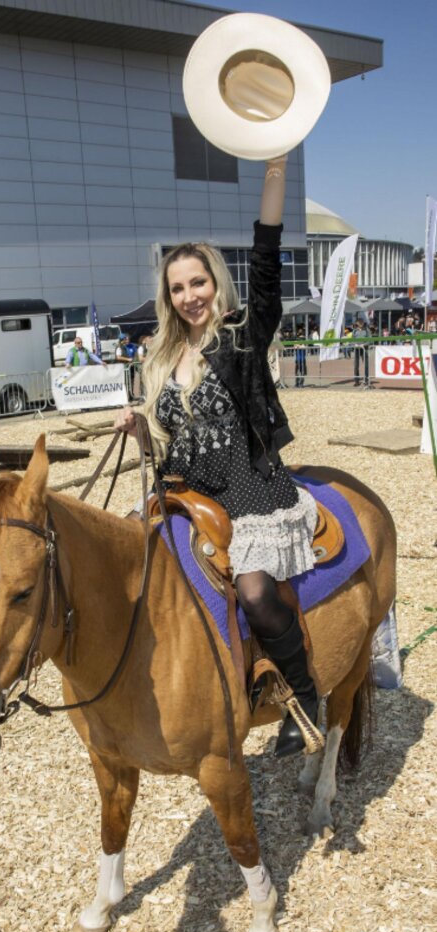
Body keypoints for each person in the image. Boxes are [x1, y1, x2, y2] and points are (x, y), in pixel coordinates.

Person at [115, 155, 320, 759]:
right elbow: (165, 444)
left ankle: (303, 696)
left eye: (198, 283)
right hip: (185, 494)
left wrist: (275, 176)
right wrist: (137, 430)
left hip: (249, 491)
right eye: (177, 288)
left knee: (255, 592)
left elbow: (265, 262)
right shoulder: (158, 357)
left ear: (216, 283)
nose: (189, 297)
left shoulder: (242, 334)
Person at [352, 317, 370, 387]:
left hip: (364, 349)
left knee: (366, 365)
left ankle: (366, 380)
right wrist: (354, 344)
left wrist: (364, 344)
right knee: (356, 366)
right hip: (356, 349)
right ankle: (356, 381)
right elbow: (352, 340)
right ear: (357, 323)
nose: (360, 324)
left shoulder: (367, 330)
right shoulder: (354, 331)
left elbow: (370, 340)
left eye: (361, 322)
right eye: (359, 322)